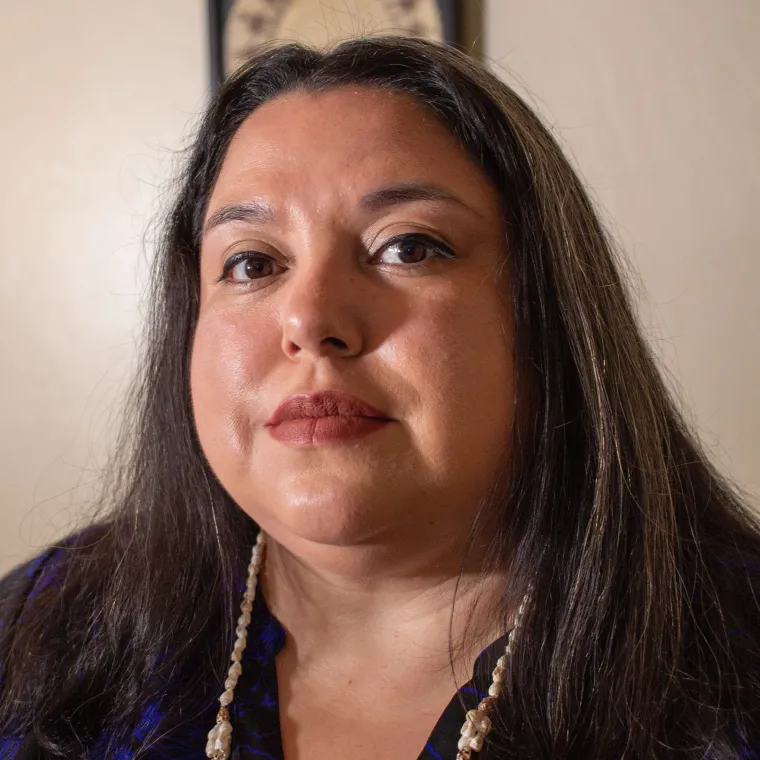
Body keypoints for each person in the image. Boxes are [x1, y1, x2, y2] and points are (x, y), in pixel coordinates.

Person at [0, 35, 758, 760]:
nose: (311, 318)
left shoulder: (736, 672)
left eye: (409, 246)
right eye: (253, 262)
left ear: (548, 310)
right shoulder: (45, 630)